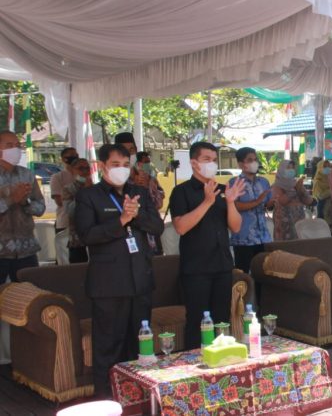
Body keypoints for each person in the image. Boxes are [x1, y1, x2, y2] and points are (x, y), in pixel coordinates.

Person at [74, 143, 164, 396]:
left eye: (126, 165)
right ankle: (107, 399)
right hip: (109, 285)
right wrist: (122, 220)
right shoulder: (89, 196)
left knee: (140, 344)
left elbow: (157, 227)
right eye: (115, 165)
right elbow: (87, 235)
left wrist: (136, 216)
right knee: (108, 347)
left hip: (140, 280)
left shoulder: (139, 192)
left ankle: (137, 398)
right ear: (102, 166)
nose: (121, 170)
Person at [169, 142, 245, 348]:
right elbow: (181, 227)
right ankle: (195, 363)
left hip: (222, 265)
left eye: (213, 160)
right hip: (196, 268)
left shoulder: (223, 191)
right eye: (206, 159)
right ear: (194, 163)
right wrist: (207, 202)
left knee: (221, 320)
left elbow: (236, 227)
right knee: (198, 321)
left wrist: (230, 202)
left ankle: (220, 359)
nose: (211, 164)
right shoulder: (181, 192)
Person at [0, 130, 45, 283]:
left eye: (17, 145)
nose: (15, 149)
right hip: (1, 251)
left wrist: (25, 203)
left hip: (26, 250)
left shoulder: (27, 175)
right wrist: (11, 199)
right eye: (9, 145)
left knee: (30, 293)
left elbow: (40, 208)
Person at [229, 147, 272, 273]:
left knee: (263, 273)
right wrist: (257, 201)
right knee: (243, 274)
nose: (254, 162)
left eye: (255, 159)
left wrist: (272, 203)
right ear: (241, 164)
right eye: (250, 160)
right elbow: (235, 206)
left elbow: (267, 205)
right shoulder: (235, 182)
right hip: (244, 238)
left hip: (263, 237)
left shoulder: (264, 182)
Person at [114, 133, 165, 210]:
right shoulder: (112, 179)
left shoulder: (148, 178)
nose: (128, 154)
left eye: (131, 150)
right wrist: (133, 187)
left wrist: (148, 187)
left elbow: (159, 205)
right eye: (124, 151)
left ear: (136, 150)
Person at [271, 160, 314, 241]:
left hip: (299, 223)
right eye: (288, 168)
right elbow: (282, 201)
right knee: (285, 246)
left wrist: (302, 190)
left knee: (298, 245)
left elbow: (309, 201)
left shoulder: (296, 184)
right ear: (281, 170)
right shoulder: (276, 186)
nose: (291, 170)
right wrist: (294, 189)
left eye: (292, 168)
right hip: (284, 224)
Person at [63, 158, 93, 263]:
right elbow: (70, 211)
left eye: (87, 168)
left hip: (95, 237)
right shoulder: (68, 189)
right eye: (80, 168)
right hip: (77, 239)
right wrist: (84, 192)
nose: (85, 171)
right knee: (78, 269)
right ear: (72, 171)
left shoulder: (97, 188)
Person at [50, 147, 78, 233]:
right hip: (65, 222)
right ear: (63, 159)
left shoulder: (83, 176)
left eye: (76, 155)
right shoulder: (57, 177)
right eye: (72, 155)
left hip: (83, 222)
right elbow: (59, 201)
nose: (75, 157)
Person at [313, 159, 332, 226]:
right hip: (322, 209)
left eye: (328, 166)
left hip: (331, 209)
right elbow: (320, 196)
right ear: (320, 168)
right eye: (324, 166)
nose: (327, 168)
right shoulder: (317, 181)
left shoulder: (331, 179)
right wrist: (331, 191)